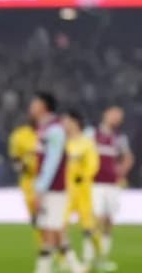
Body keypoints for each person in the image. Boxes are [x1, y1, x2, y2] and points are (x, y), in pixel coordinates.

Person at [29, 93, 84, 273]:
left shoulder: (55, 130)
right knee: (51, 231)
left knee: (52, 231)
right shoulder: (44, 129)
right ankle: (75, 268)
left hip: (54, 189)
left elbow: (52, 161)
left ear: (44, 106)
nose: (31, 106)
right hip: (49, 187)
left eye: (34, 103)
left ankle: (46, 269)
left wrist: (40, 188)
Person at [85, 106, 135, 271]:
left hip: (112, 185)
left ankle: (102, 258)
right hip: (95, 184)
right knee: (96, 219)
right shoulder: (92, 134)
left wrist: (121, 172)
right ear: (105, 115)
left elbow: (128, 157)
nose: (116, 119)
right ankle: (88, 257)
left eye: (119, 117)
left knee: (108, 221)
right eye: (114, 115)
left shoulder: (120, 138)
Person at [61, 110, 101, 267]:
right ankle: (69, 261)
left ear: (75, 122)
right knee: (60, 226)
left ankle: (91, 258)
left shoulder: (86, 142)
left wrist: (83, 176)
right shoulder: (63, 142)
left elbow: (93, 164)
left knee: (88, 227)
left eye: (66, 120)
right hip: (64, 191)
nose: (64, 124)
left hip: (82, 190)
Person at [9, 112, 41, 245]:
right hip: (28, 179)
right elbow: (15, 157)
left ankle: (52, 248)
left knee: (49, 218)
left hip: (48, 179)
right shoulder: (19, 135)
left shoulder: (49, 134)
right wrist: (20, 167)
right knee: (35, 217)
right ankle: (44, 247)